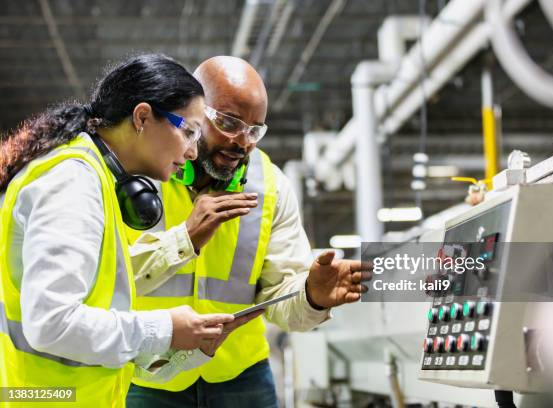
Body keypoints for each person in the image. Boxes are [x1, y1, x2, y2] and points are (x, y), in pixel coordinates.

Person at [0, 54, 259, 408]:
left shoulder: (98, 180)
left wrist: (188, 345)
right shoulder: (73, 184)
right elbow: (52, 325)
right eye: (188, 131)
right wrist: (165, 328)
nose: (192, 150)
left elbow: (95, 340)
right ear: (142, 117)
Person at [126, 56, 371, 408]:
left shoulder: (270, 187)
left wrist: (311, 295)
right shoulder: (140, 174)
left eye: (254, 129)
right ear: (195, 113)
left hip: (241, 377)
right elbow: (107, 279)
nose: (243, 142)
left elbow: (282, 301)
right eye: (228, 122)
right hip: (147, 372)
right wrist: (184, 240)